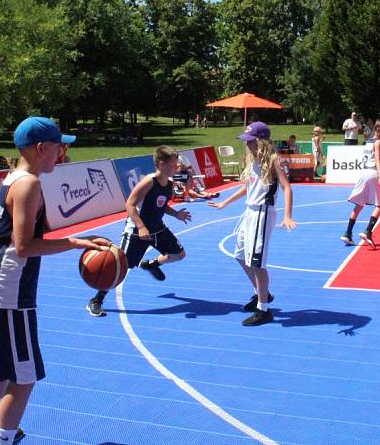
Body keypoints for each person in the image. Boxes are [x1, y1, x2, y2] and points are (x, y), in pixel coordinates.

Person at [0, 117, 109, 445]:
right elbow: (23, 246)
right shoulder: (28, 184)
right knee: (24, 377)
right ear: (40, 148)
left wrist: (75, 240)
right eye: (59, 147)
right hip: (8, 291)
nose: (63, 153)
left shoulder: (15, 177)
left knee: (0, 370)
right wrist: (75, 243)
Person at [86, 146, 192, 317]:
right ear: (160, 164)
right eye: (173, 164)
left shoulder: (168, 183)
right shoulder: (149, 181)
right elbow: (129, 204)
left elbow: (161, 205)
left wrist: (176, 214)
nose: (176, 167)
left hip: (157, 227)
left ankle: (151, 264)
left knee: (179, 254)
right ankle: (96, 300)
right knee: (120, 267)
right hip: (137, 230)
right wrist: (141, 227)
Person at [208, 122, 295, 326]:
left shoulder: (273, 160)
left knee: (257, 263)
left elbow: (287, 188)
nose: (247, 145)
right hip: (249, 212)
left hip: (262, 213)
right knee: (239, 255)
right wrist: (225, 202)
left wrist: (288, 215)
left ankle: (263, 310)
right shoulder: (253, 159)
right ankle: (262, 293)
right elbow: (248, 187)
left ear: (261, 141)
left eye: (250, 142)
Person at [340, 120, 380, 248]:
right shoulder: (379, 142)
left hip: (364, 173)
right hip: (373, 174)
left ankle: (348, 233)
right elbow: (377, 160)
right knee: (379, 206)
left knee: (359, 205)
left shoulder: (369, 141)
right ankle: (368, 232)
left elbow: (371, 160)